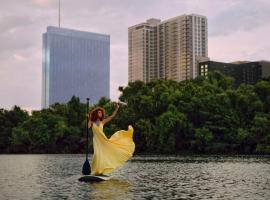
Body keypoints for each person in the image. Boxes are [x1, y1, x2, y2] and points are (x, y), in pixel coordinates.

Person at [88, 103, 135, 176]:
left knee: (102, 155)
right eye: (98, 112)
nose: (100, 113)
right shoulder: (92, 121)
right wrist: (90, 119)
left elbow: (112, 116)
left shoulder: (102, 121)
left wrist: (117, 108)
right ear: (96, 114)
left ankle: (100, 171)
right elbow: (88, 127)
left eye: (101, 112)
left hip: (103, 140)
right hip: (96, 141)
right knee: (97, 155)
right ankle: (96, 171)